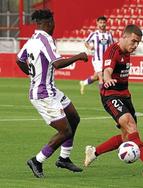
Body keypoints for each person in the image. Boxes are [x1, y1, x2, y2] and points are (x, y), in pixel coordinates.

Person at [16, 9, 88, 178]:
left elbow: (19, 59)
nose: (54, 25)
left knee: (74, 118)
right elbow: (57, 64)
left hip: (51, 90)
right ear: (47, 23)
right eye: (53, 22)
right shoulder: (45, 39)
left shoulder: (32, 39)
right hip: (43, 95)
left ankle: (64, 159)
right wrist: (78, 56)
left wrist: (31, 75)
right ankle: (37, 160)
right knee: (65, 131)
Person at [84, 24, 143, 182]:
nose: (135, 45)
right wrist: (107, 79)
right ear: (124, 37)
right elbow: (107, 70)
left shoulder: (127, 51)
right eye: (134, 41)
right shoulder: (113, 50)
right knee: (131, 125)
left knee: (127, 138)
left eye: (138, 43)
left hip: (125, 96)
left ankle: (94, 152)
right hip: (110, 95)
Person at [79, 16, 114, 94]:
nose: (102, 24)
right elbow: (86, 42)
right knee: (101, 77)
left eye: (104, 22)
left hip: (106, 60)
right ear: (97, 23)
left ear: (106, 23)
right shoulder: (94, 34)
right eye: (100, 22)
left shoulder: (109, 34)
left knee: (96, 77)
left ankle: (83, 83)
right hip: (97, 59)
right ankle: (103, 96)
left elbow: (112, 46)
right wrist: (89, 47)